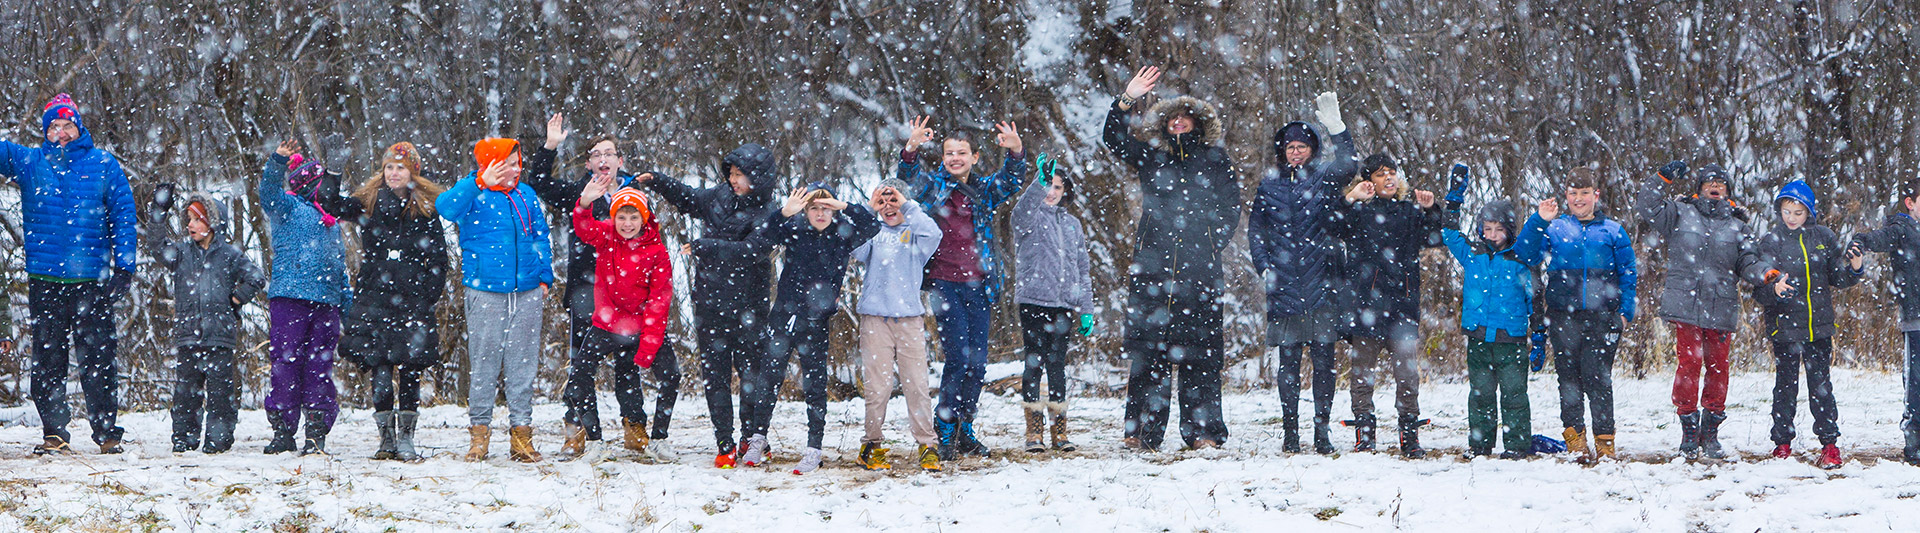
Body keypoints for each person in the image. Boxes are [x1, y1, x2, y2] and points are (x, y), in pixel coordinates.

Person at [522, 116, 680, 462]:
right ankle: (576, 431)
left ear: (620, 160)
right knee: (581, 364)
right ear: (589, 163)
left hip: (636, 298)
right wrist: (550, 146)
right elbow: (538, 183)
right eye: (596, 154)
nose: (603, 159)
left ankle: (633, 425)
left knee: (629, 367)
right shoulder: (580, 191)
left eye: (609, 153)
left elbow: (658, 228)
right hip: (589, 293)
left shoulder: (634, 195)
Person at [1104, 66, 1240, 451]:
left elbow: (1231, 206)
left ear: (1197, 122)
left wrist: (1211, 242)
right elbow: (1113, 139)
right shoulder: (1152, 158)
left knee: (1201, 356)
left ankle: (1204, 433)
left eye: (1185, 116)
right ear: (1163, 126)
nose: (1178, 121)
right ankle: (1141, 433)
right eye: (1171, 118)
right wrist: (1127, 99)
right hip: (1153, 269)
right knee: (1149, 356)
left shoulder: (1215, 159)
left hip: (1200, 272)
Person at [0, 94, 137, 455]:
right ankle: (54, 432)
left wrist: (125, 266)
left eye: (67, 125)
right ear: (46, 131)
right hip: (45, 278)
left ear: (79, 126)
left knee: (99, 358)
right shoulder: (32, 162)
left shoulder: (102, 164)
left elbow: (123, 214)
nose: (61, 132)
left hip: (90, 279)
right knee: (47, 360)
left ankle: (107, 432)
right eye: (54, 127)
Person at [634, 143, 779, 468]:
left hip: (749, 307)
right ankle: (724, 442)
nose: (734, 180)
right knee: (714, 376)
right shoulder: (718, 197)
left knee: (751, 375)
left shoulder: (769, 213)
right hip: (710, 302)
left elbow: (750, 251)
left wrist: (705, 247)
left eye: (740, 175)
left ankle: (751, 438)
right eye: (731, 174)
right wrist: (657, 180)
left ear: (759, 177)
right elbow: (688, 197)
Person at [898, 115, 1028, 459]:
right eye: (949, 153)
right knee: (957, 359)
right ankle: (944, 429)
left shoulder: (982, 192)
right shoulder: (935, 187)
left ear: (974, 157)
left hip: (980, 287)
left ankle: (965, 428)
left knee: (978, 364)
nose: (955, 158)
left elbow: (1010, 182)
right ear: (942, 158)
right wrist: (911, 147)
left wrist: (1016, 153)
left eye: (962, 153)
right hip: (945, 284)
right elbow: (908, 179)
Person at [1248, 92, 1357, 455]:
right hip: (1284, 287)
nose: (1296, 152)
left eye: (1302, 146)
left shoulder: (1324, 177)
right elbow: (1256, 229)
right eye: (1290, 147)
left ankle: (1322, 431)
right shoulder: (1270, 184)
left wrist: (1338, 129)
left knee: (1325, 364)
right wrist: (1264, 266)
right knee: (1289, 364)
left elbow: (1349, 165)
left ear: (1312, 149)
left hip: (1322, 285)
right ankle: (1290, 432)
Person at [1637, 161, 1768, 460]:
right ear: (1699, 190)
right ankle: (1688, 429)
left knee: (1718, 368)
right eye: (1710, 182)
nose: (1715, 187)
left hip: (1721, 305)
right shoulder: (1680, 214)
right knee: (1689, 365)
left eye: (1721, 184)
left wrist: (1765, 274)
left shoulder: (1739, 227)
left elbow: (1749, 261)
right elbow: (1648, 204)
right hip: (1686, 304)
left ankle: (1711, 432)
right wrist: (1663, 176)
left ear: (1728, 193)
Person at [437, 137, 556, 463]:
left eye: (518, 163)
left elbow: (540, 235)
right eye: (509, 162)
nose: (516, 169)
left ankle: (521, 436)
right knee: (485, 364)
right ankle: (480, 435)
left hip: (528, 292)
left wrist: (545, 275)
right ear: (490, 165)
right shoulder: (474, 194)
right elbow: (444, 208)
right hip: (486, 291)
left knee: (523, 365)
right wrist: (478, 182)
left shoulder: (526, 194)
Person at [749, 184, 881, 473]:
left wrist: (843, 206)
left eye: (825, 208)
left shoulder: (842, 234)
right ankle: (757, 437)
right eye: (814, 208)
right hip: (783, 314)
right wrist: (783, 213)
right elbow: (763, 237)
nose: (820, 213)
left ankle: (814, 448)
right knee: (769, 376)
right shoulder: (795, 230)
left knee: (815, 383)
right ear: (805, 210)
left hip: (815, 321)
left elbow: (872, 225)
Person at [1514, 166, 1637, 463]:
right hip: (1562, 316)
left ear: (1595, 195)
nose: (1579, 199)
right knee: (1568, 379)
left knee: (1598, 379)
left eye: (1584, 193)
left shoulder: (1612, 230)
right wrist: (1538, 220)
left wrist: (1625, 314)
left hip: (1602, 317)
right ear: (1566, 196)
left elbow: (1628, 274)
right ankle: (1576, 441)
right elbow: (1524, 254)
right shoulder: (1555, 228)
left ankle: (1605, 442)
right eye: (1573, 194)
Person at [1327, 154, 1445, 457]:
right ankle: (1364, 434)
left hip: (1402, 307)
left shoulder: (1409, 211)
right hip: (1365, 306)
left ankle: (1409, 434)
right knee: (1362, 374)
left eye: (1392, 173)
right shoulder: (1359, 212)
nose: (1389, 178)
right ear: (1369, 180)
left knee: (1407, 375)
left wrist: (1432, 209)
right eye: (1381, 174)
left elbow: (1434, 237)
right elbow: (1330, 224)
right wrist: (1350, 199)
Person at [340, 142, 448, 462]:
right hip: (375, 297)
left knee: (412, 369)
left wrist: (428, 295)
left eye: (400, 167)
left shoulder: (426, 209)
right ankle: (385, 437)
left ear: (412, 170)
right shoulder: (369, 204)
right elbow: (331, 204)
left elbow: (439, 260)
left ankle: (406, 437)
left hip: (414, 300)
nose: (394, 173)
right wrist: (333, 171)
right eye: (389, 167)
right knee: (380, 368)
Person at [144, 190, 265, 454]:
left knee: (221, 392)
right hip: (188, 335)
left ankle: (218, 439)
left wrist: (236, 299)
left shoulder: (230, 255)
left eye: (196, 219)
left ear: (213, 222)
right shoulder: (181, 254)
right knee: (187, 391)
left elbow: (256, 277)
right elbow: (156, 246)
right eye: (188, 219)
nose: (190, 225)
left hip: (220, 336)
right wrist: (159, 213)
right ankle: (184, 438)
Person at [1752, 180, 1861, 469]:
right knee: (1785, 387)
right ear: (1780, 210)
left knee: (1821, 386)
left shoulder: (1823, 237)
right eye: (1787, 211)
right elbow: (1758, 289)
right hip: (1784, 327)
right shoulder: (1770, 241)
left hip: (1818, 327)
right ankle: (1783, 444)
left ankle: (1829, 445)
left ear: (1809, 212)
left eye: (1798, 212)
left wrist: (1855, 268)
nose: (1791, 218)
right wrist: (1773, 290)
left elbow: (1838, 277)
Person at [570, 176, 676, 464]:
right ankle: (595, 442)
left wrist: (648, 347)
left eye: (633, 217)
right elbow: (583, 228)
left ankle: (659, 439)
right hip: (608, 321)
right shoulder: (606, 236)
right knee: (578, 377)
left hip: (643, 324)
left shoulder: (657, 251)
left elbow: (659, 300)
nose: (627, 223)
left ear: (644, 219)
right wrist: (585, 202)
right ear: (614, 218)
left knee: (671, 375)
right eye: (621, 216)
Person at [258, 140, 354, 456]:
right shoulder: (287, 207)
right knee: (286, 363)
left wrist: (347, 304)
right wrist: (277, 163)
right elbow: (268, 194)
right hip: (290, 298)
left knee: (320, 366)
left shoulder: (332, 222)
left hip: (326, 302)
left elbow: (338, 265)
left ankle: (316, 428)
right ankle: (284, 429)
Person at [1437, 165, 1540, 459]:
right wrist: (1455, 197)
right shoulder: (1474, 255)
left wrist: (1540, 337)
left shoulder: (1521, 259)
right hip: (1479, 336)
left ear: (1510, 231)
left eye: (1499, 229)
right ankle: (1480, 445)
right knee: (1480, 394)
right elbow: (1449, 233)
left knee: (1514, 395)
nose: (1492, 234)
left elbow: (1535, 299)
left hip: (1512, 339)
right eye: (1487, 228)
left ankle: (1517, 445)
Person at [852, 180, 944, 472]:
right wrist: (869, 209)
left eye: (894, 201)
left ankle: (927, 445)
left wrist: (907, 204)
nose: (889, 207)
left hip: (909, 320)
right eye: (884, 202)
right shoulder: (873, 234)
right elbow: (852, 245)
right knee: (877, 388)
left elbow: (934, 232)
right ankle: (872, 444)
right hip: (875, 321)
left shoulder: (917, 236)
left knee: (916, 385)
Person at [1010, 154, 1093, 453]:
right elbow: (1019, 213)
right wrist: (1037, 182)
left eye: (1058, 186)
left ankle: (1060, 430)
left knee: (1057, 365)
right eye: (1049, 185)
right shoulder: (1029, 218)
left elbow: (1082, 269)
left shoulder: (1073, 225)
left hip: (1063, 305)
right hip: (1034, 300)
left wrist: (1086, 309)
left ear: (1065, 191)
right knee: (1034, 364)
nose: (1052, 191)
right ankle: (1034, 431)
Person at [1848, 177, 1920, 465]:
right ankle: (1914, 438)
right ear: (1910, 203)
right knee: (1916, 381)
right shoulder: (1902, 229)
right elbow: (1878, 238)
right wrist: (1861, 242)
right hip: (1916, 319)